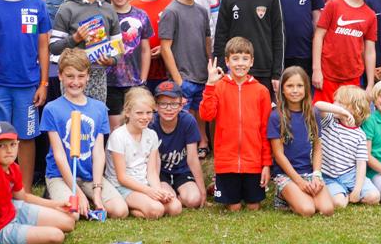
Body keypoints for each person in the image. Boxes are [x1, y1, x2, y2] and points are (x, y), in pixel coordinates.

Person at [0, 0, 51, 192]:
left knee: (26, 137)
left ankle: (22, 189)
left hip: (28, 85)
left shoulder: (36, 5)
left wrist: (43, 83)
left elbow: (43, 46)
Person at [40, 48, 127, 219]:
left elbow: (98, 152)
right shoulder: (52, 109)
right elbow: (58, 155)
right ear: (60, 76)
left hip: (88, 176)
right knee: (73, 215)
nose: (75, 82)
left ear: (88, 76)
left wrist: (97, 189)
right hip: (60, 175)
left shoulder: (99, 108)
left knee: (120, 211)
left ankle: (88, 198)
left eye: (81, 76)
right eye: (70, 76)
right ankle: (55, 193)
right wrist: (77, 192)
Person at [200, 37, 272, 211]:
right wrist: (209, 85)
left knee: (253, 206)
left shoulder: (261, 91)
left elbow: (265, 130)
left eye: (245, 59)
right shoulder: (218, 87)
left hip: (253, 161)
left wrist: (266, 164)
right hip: (227, 162)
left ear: (252, 61)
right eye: (235, 59)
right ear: (227, 61)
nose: (240, 64)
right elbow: (206, 115)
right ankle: (219, 185)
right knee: (235, 207)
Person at [213, 0, 284, 99]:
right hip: (235, 68)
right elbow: (220, 35)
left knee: (262, 116)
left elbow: (278, 37)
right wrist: (220, 68)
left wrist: (276, 73)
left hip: (263, 69)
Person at [49, 0, 120, 104]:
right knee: (71, 120)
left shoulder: (108, 9)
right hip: (72, 75)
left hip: (98, 75)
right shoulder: (67, 8)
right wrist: (75, 38)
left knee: (95, 119)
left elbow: (118, 46)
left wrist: (111, 60)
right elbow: (54, 47)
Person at [159, 0, 211, 158]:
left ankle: (203, 141)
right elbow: (165, 47)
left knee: (201, 112)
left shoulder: (201, 11)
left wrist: (210, 65)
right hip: (182, 74)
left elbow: (207, 41)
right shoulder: (172, 11)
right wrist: (178, 79)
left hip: (201, 73)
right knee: (184, 113)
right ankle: (185, 147)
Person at [106, 87, 181, 219]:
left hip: (144, 183)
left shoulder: (151, 135)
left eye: (149, 113)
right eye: (139, 113)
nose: (145, 117)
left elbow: (151, 171)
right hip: (123, 186)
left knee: (175, 207)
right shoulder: (118, 136)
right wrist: (149, 192)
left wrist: (158, 191)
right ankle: (133, 208)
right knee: (157, 209)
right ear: (128, 113)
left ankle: (143, 207)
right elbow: (122, 177)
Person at [269, 67, 334, 216]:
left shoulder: (313, 113)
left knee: (327, 210)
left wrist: (317, 175)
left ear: (306, 88)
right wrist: (299, 182)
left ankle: (298, 196)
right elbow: (278, 155)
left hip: (308, 172)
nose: (295, 90)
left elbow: (318, 148)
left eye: (299, 86)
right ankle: (283, 198)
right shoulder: (276, 117)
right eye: (290, 86)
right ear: (282, 90)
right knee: (308, 210)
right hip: (286, 175)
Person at [312, 0, 377, 102]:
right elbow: (318, 36)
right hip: (327, 73)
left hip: (352, 76)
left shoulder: (370, 15)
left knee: (347, 118)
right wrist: (316, 70)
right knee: (323, 116)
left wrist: (370, 83)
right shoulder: (333, 5)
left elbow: (370, 50)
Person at [105, 0, 153, 130]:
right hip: (109, 83)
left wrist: (143, 80)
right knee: (116, 129)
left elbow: (146, 50)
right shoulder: (103, 15)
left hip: (134, 81)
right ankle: (114, 156)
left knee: (136, 125)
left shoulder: (141, 16)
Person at [316, 85, 379, 208]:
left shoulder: (360, 134)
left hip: (351, 175)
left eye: (340, 102)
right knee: (338, 203)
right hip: (329, 177)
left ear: (355, 108)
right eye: (335, 101)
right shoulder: (330, 121)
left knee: (374, 197)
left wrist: (357, 189)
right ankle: (342, 195)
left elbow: (361, 164)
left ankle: (350, 194)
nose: (334, 104)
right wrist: (342, 111)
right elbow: (318, 105)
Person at [150, 81, 205, 209]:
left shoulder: (188, 121)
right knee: (168, 199)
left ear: (181, 105)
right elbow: (154, 163)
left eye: (174, 104)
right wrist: (156, 188)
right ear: (156, 106)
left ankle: (182, 196)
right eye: (163, 104)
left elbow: (192, 158)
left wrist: (202, 191)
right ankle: (175, 195)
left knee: (193, 200)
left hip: (182, 171)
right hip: (161, 173)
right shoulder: (151, 124)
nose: (169, 108)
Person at [131, 0, 172, 93]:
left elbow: (180, 35)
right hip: (138, 70)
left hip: (165, 71)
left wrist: (164, 48)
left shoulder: (171, 5)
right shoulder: (131, 6)